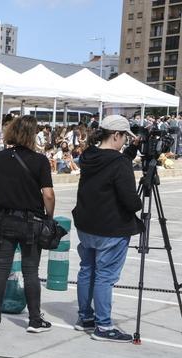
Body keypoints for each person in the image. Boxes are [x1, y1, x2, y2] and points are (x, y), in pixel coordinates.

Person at [0, 115, 55, 333]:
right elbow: (48, 194)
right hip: (30, 223)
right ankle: (34, 320)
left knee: (1, 268)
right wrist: (49, 217)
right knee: (30, 271)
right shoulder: (40, 160)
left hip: (3, 219)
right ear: (32, 135)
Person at [73, 115, 143, 342]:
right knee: (105, 276)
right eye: (124, 138)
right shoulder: (119, 163)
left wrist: (131, 150)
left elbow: (110, 164)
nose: (125, 142)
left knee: (87, 270)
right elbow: (130, 201)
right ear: (116, 135)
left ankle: (85, 316)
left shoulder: (88, 155)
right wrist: (139, 201)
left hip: (86, 224)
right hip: (110, 228)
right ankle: (103, 326)